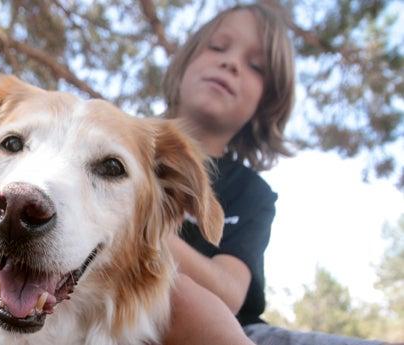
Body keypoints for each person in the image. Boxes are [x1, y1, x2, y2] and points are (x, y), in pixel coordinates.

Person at [161, 3, 386, 345]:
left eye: (255, 67)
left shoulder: (252, 193)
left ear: (265, 104)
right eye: (218, 47)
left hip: (241, 331)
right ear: (185, 62)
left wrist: (138, 232)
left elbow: (229, 293)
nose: (231, 63)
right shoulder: (119, 148)